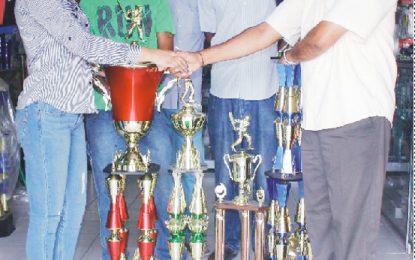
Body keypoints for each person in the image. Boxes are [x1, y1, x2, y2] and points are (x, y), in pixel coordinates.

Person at [179, 0, 397, 259]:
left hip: (357, 119)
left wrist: (290, 55)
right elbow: (263, 33)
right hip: (316, 122)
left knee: (353, 235)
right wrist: (200, 58)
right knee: (320, 230)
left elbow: (320, 40)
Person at [13, 0, 187, 259]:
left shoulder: (68, 2)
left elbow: (81, 56)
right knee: (49, 215)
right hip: (44, 111)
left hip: (72, 114)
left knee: (72, 213)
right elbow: (84, 45)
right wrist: (151, 54)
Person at [80, 0, 175, 259]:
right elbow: (83, 49)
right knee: (108, 187)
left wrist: (139, 82)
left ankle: (166, 253)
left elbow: (166, 50)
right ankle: (112, 253)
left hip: (146, 107)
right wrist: (108, 81)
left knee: (164, 179)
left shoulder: (157, 2)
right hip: (103, 107)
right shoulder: (89, 2)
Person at [196, 0, 278, 258]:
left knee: (263, 173)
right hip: (224, 86)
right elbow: (210, 32)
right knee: (225, 172)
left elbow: (284, 27)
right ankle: (230, 241)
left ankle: (263, 241)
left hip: (264, 86)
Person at [152, 0, 206, 258]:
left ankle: (193, 244)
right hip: (152, 99)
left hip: (188, 102)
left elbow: (212, 36)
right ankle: (166, 248)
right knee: (161, 176)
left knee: (191, 174)